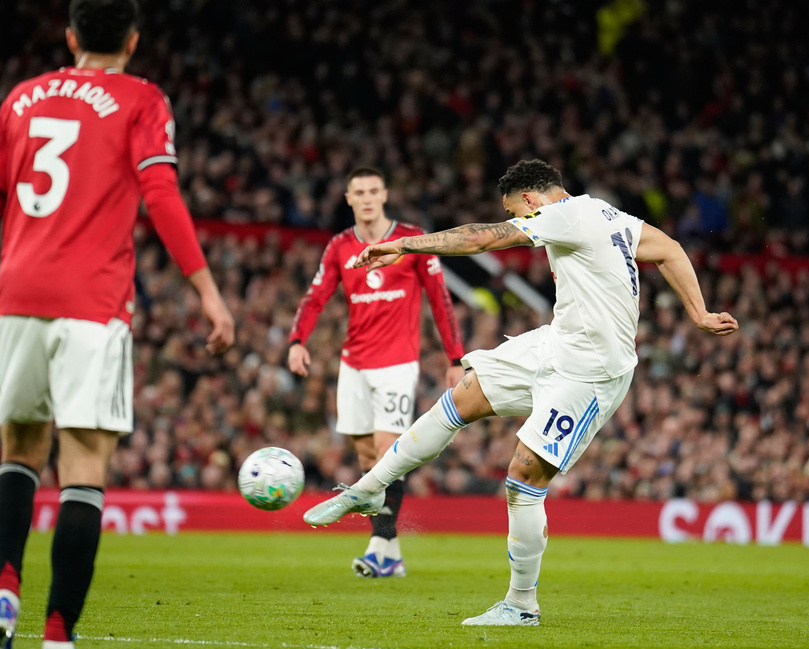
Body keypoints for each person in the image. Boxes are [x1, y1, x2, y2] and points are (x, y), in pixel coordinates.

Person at [0, 0, 235, 649]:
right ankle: (57, 644)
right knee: (83, 471)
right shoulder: (141, 98)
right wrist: (206, 290)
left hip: (16, 301)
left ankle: (3, 592)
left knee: (19, 454)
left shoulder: (23, 97)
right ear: (132, 40)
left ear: (69, 38)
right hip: (92, 306)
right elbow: (161, 193)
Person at [303, 159, 738, 623]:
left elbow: (482, 237)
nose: (522, 221)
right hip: (558, 342)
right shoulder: (609, 216)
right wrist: (698, 312)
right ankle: (370, 490)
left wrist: (404, 245)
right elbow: (669, 248)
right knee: (463, 396)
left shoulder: (561, 214)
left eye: (519, 212)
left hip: (591, 370)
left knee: (523, 479)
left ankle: (521, 604)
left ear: (530, 200)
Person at [288, 167, 466, 578]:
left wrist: (454, 358)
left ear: (384, 194)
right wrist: (298, 340)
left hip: (397, 364)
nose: (367, 198)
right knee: (368, 459)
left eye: (373, 191)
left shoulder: (411, 240)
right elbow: (315, 297)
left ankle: (377, 549)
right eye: (359, 193)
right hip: (353, 364)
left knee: (388, 452)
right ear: (349, 199)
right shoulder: (338, 247)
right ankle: (390, 552)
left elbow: (440, 299)